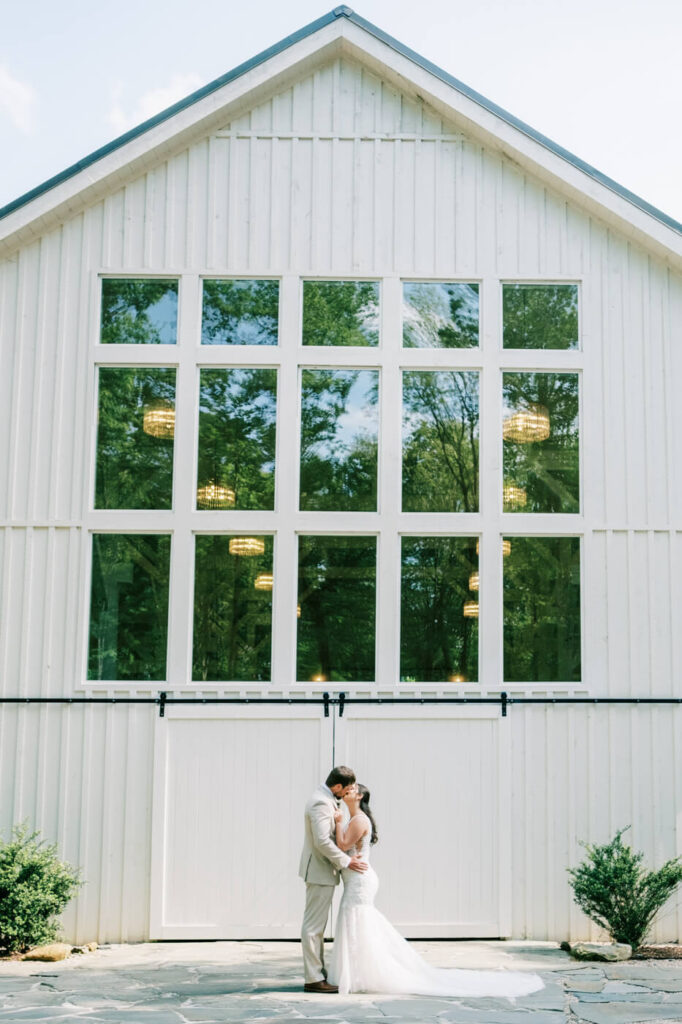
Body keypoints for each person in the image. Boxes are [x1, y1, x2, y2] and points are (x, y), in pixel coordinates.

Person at [328, 784, 544, 998]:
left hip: (360, 881)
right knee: (357, 922)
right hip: (356, 878)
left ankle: (366, 973)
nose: (348, 791)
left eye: (353, 790)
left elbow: (343, 844)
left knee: (358, 920)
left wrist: (337, 823)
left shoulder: (359, 819)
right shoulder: (354, 818)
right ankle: (360, 973)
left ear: (361, 797)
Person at [299, 766, 368, 993]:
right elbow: (322, 842)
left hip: (324, 871)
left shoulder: (327, 799)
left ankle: (317, 974)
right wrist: (346, 862)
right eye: (346, 789)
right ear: (337, 787)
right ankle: (314, 978)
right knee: (314, 927)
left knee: (317, 926)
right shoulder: (321, 802)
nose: (348, 792)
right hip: (319, 871)